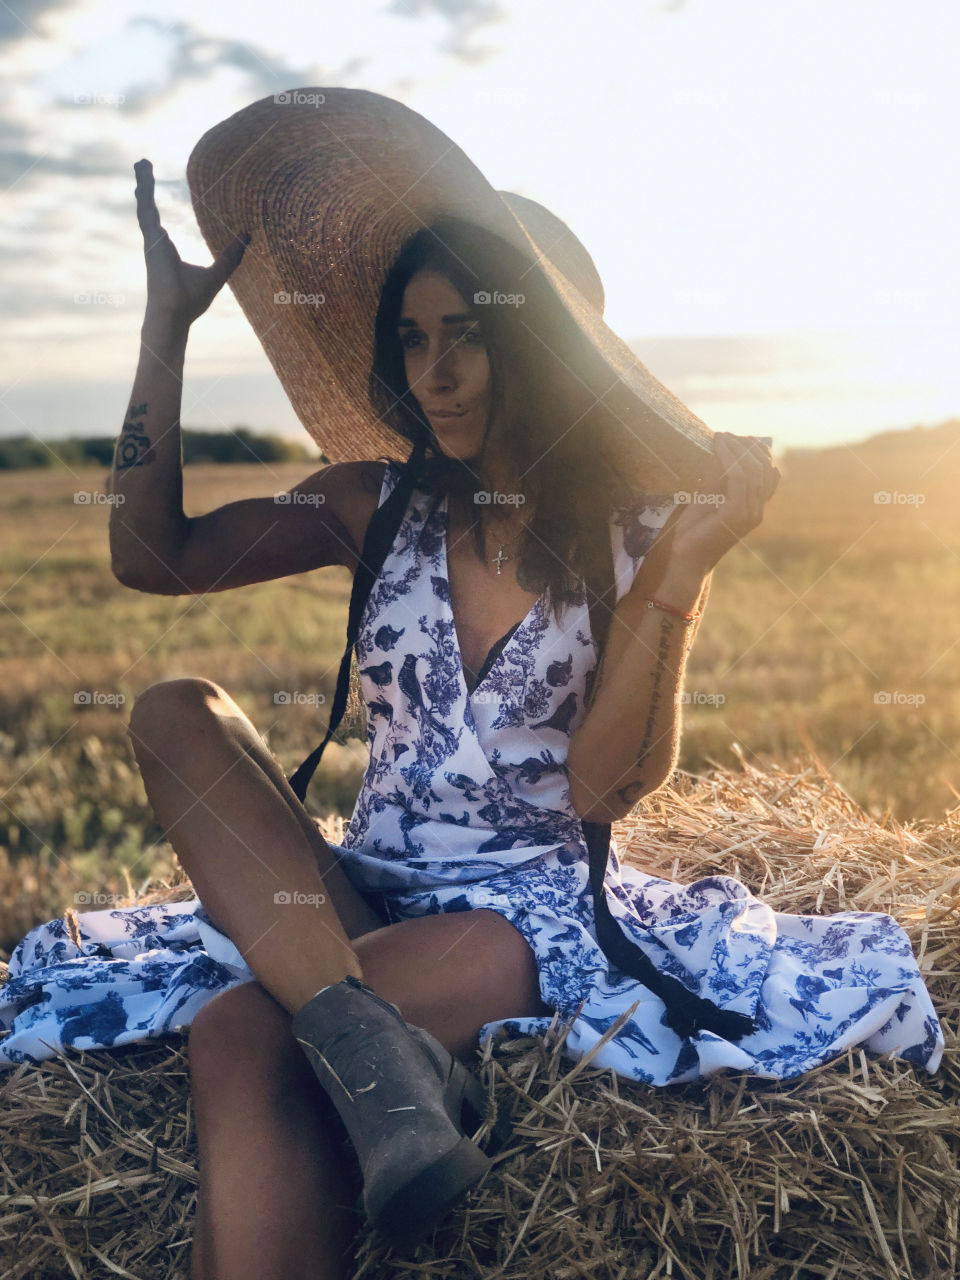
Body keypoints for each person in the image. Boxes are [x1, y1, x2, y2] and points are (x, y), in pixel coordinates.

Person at [0, 90, 943, 1280]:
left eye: (467, 335)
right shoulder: (373, 502)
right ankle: (378, 1050)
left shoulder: (634, 539)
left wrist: (682, 572)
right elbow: (154, 554)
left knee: (243, 1028)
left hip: (519, 911)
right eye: (412, 337)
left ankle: (352, 1040)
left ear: (537, 347)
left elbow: (604, 786)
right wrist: (166, 333)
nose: (434, 373)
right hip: (361, 891)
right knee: (170, 709)